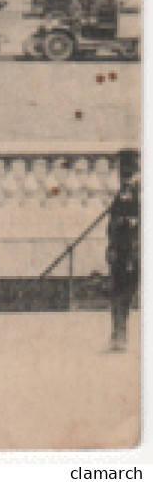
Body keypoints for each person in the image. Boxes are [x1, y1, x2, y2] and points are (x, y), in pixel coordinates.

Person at [107, 148, 140, 352]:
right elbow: (112, 222)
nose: (124, 171)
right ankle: (118, 333)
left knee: (126, 290)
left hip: (134, 248)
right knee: (120, 290)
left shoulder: (138, 190)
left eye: (126, 166)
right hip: (121, 248)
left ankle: (120, 332)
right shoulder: (122, 192)